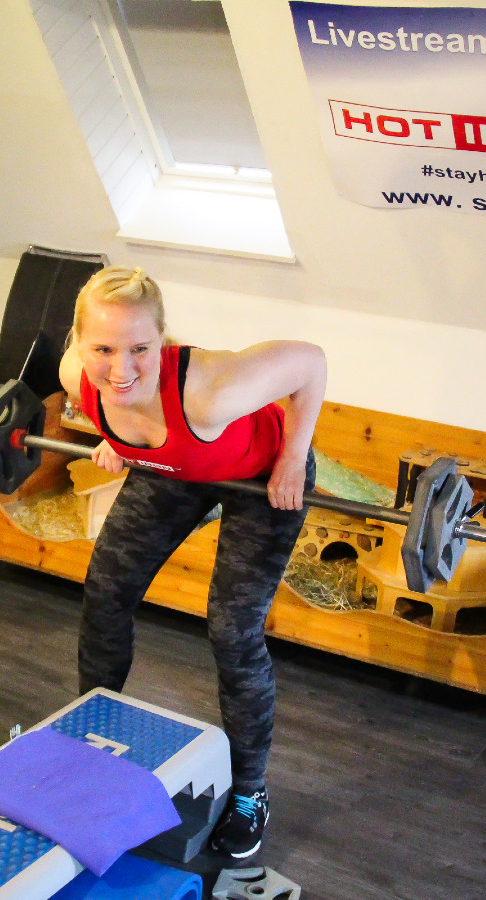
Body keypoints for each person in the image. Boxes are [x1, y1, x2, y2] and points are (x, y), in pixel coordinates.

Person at [58, 265, 327, 859]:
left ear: (163, 341)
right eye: (103, 349)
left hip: (260, 477)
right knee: (106, 594)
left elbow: (310, 362)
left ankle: (250, 792)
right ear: (78, 343)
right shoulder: (76, 375)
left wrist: (292, 459)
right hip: (177, 468)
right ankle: (87, 745)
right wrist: (115, 435)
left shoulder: (212, 390)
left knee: (232, 630)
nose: (121, 368)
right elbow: (115, 392)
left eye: (140, 349)